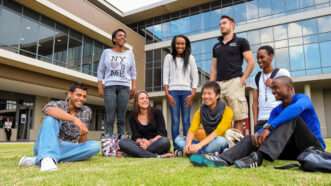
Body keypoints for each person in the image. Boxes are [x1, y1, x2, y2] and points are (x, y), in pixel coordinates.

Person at [190, 76, 326, 168]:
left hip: (312, 149)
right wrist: (258, 136)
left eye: (276, 88)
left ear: (290, 89)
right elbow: (264, 131)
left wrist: (269, 126)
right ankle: (223, 159)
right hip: (292, 151)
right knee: (251, 138)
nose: (273, 92)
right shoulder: (276, 110)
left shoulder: (302, 99)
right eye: (272, 89)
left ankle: (258, 158)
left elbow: (295, 110)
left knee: (292, 118)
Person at [18, 83, 100, 172]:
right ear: (70, 94)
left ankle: (39, 159)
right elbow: (48, 109)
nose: (81, 99)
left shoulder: (86, 111)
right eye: (78, 95)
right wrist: (74, 119)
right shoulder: (59, 104)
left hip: (68, 147)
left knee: (94, 146)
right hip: (47, 144)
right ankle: (47, 157)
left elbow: (81, 143)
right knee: (50, 119)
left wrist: (84, 133)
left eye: (84, 96)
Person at [209, 15, 255, 135]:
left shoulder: (241, 42)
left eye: (224, 23)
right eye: (220, 24)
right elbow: (213, 69)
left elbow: (251, 62)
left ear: (232, 25)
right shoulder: (216, 46)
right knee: (220, 117)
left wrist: (243, 79)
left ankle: (236, 147)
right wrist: (210, 87)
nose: (221, 26)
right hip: (218, 84)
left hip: (234, 82)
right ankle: (223, 147)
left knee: (238, 117)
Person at [97, 28, 137, 138]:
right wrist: (100, 86)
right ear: (114, 39)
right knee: (110, 116)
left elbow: (133, 71)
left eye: (124, 36)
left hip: (125, 87)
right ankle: (108, 141)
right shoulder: (106, 52)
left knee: (121, 117)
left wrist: (133, 86)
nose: (123, 37)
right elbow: (100, 70)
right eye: (120, 35)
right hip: (109, 86)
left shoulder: (129, 54)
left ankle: (122, 143)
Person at [175, 81, 232, 155]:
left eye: (209, 94)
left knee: (221, 141)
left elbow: (217, 132)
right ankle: (208, 153)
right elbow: (192, 130)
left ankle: (189, 152)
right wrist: (187, 145)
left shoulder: (227, 111)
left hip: (217, 141)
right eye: (204, 94)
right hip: (205, 142)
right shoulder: (200, 111)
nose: (206, 96)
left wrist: (199, 145)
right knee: (178, 139)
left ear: (217, 96)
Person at [163, 35, 199, 149]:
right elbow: (165, 76)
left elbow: (195, 76)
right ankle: (177, 147)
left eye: (182, 43)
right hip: (173, 92)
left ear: (186, 45)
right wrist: (167, 94)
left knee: (186, 121)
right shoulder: (168, 57)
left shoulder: (191, 58)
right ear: (174, 45)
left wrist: (193, 93)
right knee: (175, 120)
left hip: (186, 92)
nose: (180, 46)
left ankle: (187, 146)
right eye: (178, 43)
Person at [119, 91, 172, 158]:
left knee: (165, 141)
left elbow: (162, 133)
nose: (145, 100)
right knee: (123, 142)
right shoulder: (132, 116)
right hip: (141, 145)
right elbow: (135, 136)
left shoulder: (157, 112)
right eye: (142, 98)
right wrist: (141, 142)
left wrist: (149, 142)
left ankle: (135, 153)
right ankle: (156, 156)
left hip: (156, 143)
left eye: (146, 98)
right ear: (137, 102)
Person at [252, 45, 290, 132]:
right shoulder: (257, 77)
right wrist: (255, 123)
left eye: (262, 57)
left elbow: (289, 94)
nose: (259, 60)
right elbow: (254, 103)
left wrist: (274, 84)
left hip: (277, 117)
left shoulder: (282, 73)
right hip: (261, 121)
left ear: (271, 56)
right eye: (257, 58)